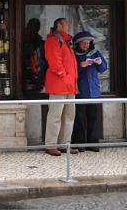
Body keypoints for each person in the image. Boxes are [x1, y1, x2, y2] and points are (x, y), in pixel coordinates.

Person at [43, 18, 78, 156]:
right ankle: (50, 145)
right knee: (55, 116)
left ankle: (65, 144)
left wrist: (70, 79)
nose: (69, 25)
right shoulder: (54, 40)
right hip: (59, 84)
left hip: (69, 85)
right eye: (66, 23)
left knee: (69, 116)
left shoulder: (66, 41)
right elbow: (54, 61)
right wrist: (63, 75)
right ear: (59, 26)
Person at [71, 31, 108, 152]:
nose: (86, 45)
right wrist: (81, 66)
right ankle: (79, 143)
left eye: (88, 43)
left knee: (93, 118)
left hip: (94, 92)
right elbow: (72, 72)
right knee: (79, 119)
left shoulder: (95, 53)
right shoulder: (74, 55)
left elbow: (103, 68)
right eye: (84, 43)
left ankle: (93, 143)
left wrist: (100, 62)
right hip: (81, 92)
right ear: (78, 44)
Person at [23, 18, 45, 92]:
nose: (36, 28)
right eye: (34, 26)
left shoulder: (39, 41)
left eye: (37, 26)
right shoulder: (24, 38)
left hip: (36, 67)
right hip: (27, 67)